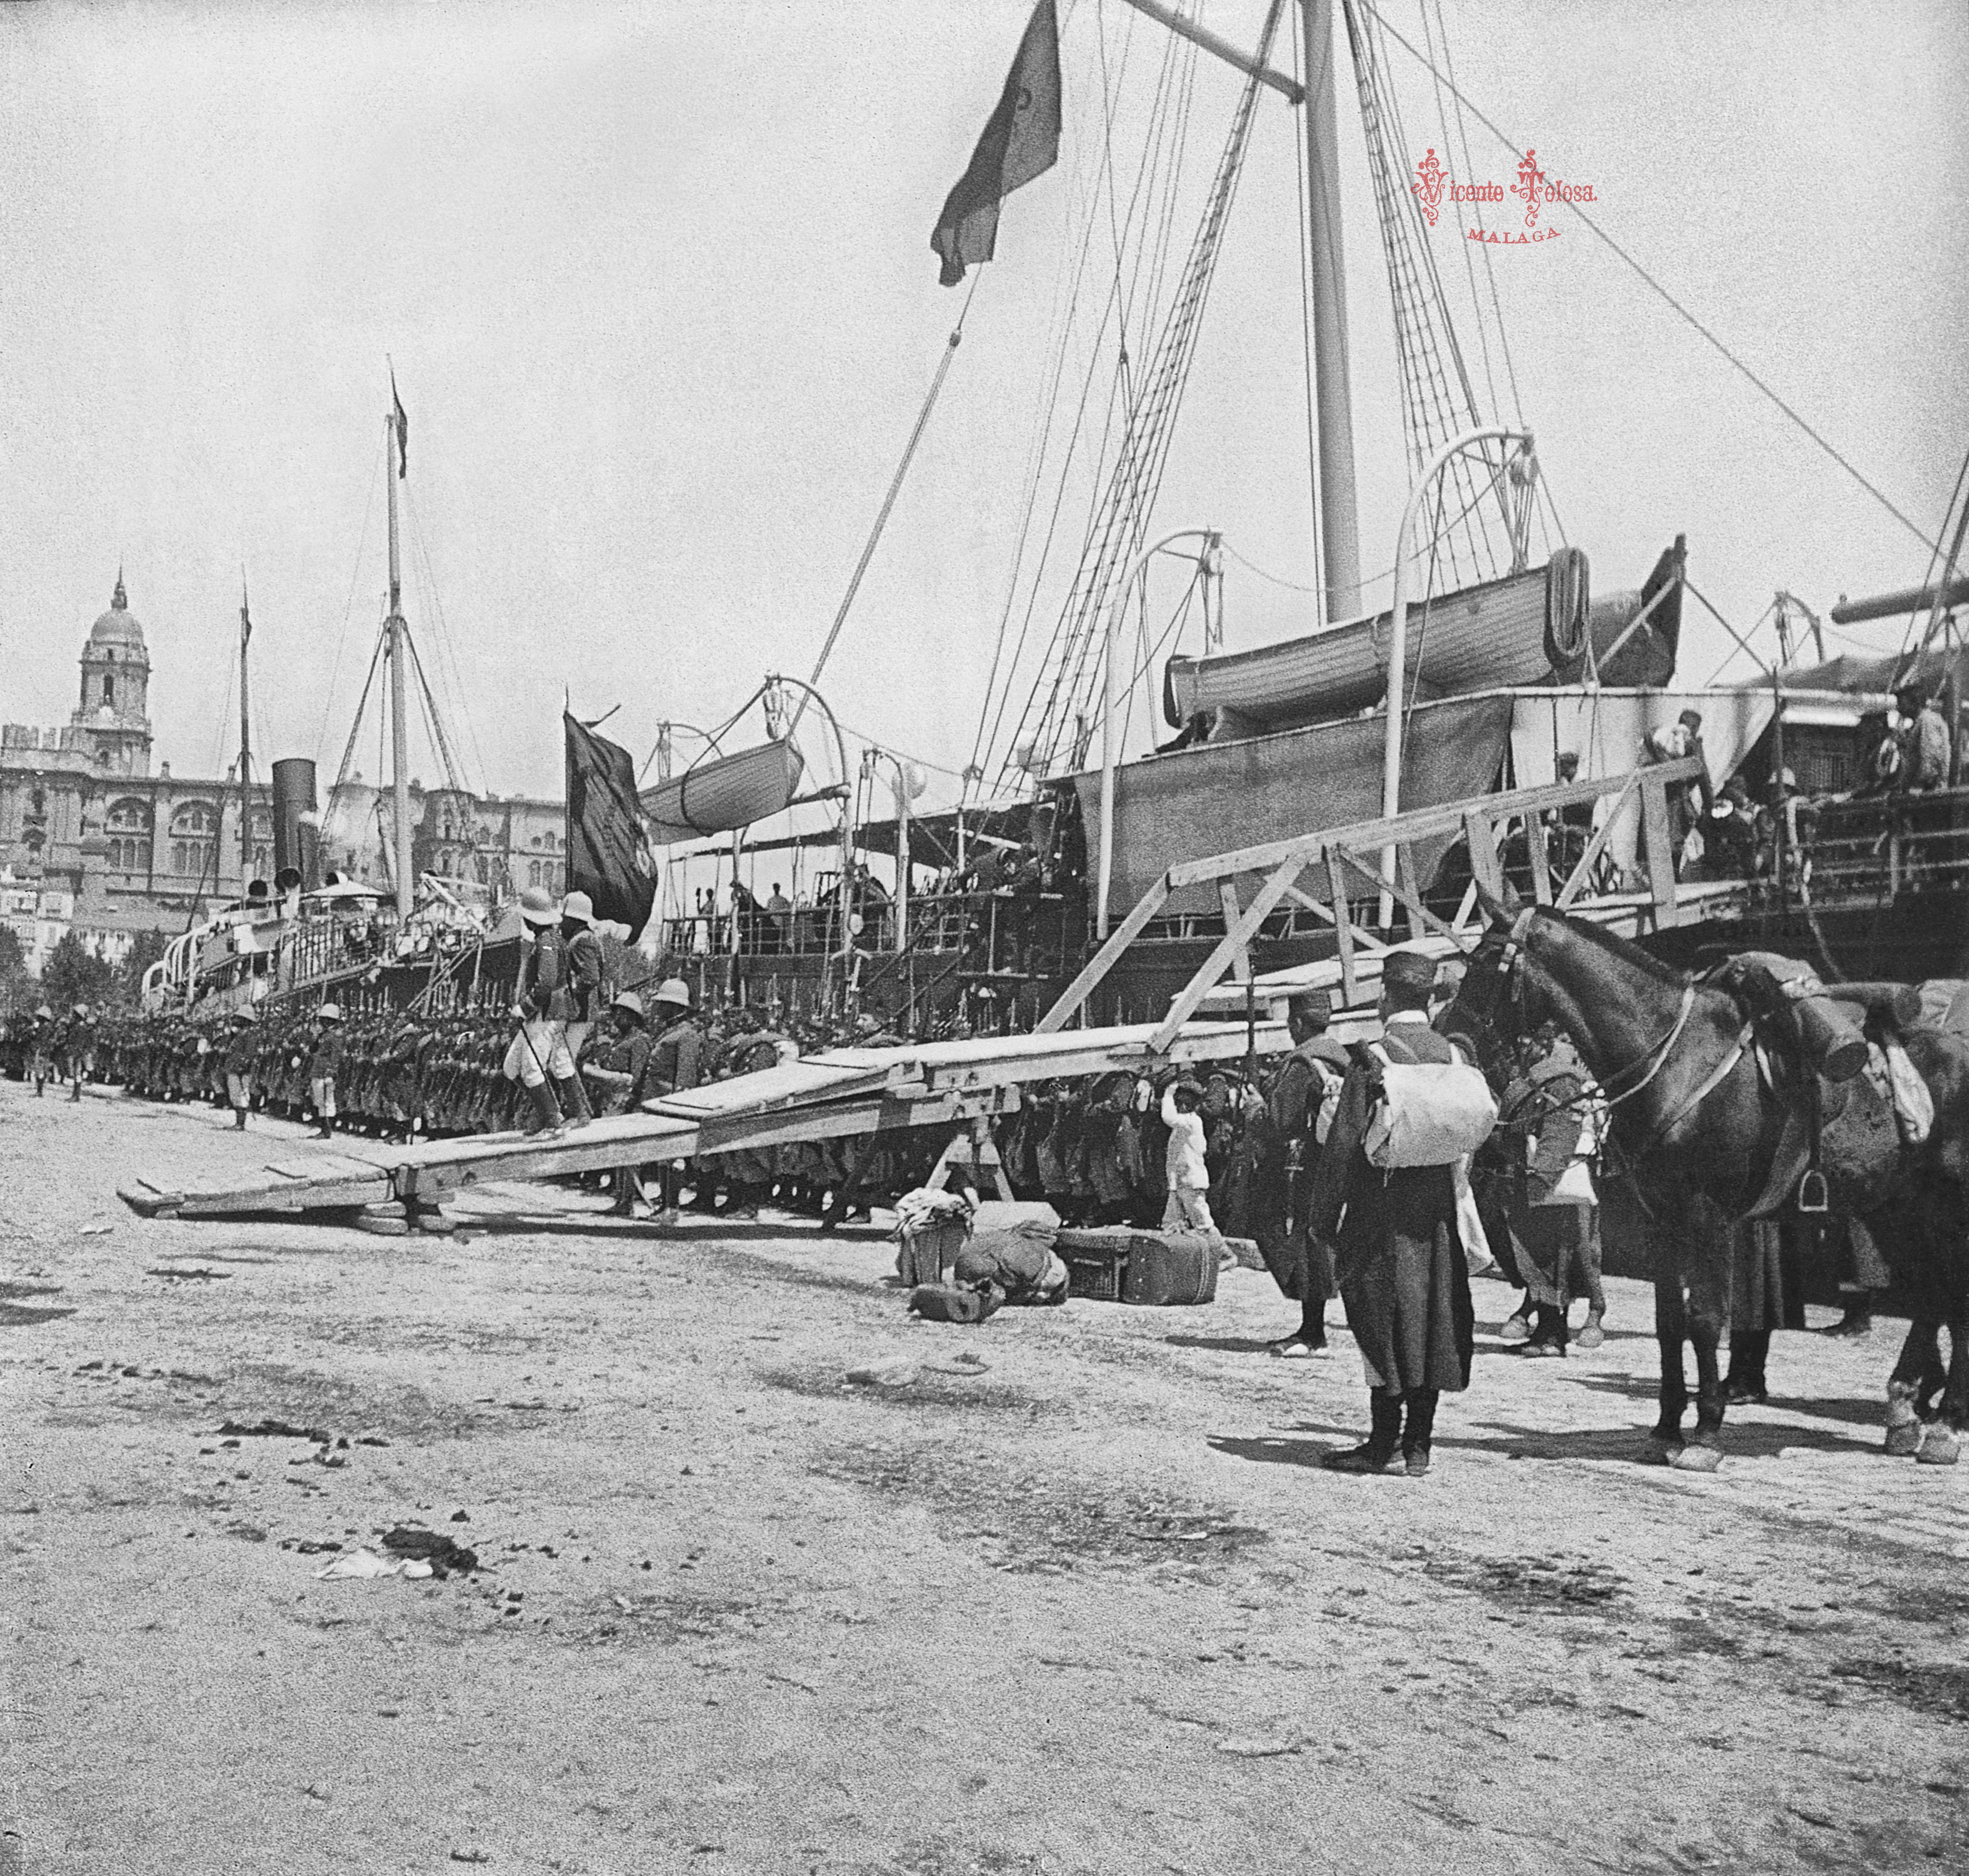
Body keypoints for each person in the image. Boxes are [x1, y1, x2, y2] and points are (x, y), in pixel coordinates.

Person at [1308, 949, 1476, 1477]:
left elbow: (1342, 1148)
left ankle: (1382, 1444)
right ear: (1429, 998)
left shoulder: (1375, 1058)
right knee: (1435, 1319)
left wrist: (1323, 1217)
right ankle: (1420, 1444)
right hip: (1438, 1209)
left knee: (1381, 1317)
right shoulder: (1453, 1055)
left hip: (1381, 1209)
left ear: (1386, 995)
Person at [1493, 1026, 1607, 1356]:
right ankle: (1547, 1332)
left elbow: (1559, 1133)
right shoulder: (1535, 1079)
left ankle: (1553, 1337)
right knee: (1535, 1258)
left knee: (1555, 1258)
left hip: (1548, 1183)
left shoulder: (1559, 1081)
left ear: (1544, 1045)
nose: (1523, 1049)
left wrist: (1540, 1180)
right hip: (1528, 1179)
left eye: (1527, 1042)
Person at [1249, 990, 1351, 1358]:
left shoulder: (1303, 1064)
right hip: (1337, 1163)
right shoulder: (1343, 1058)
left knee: (1296, 1239)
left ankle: (1312, 1334)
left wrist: (1255, 1110)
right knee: (1319, 1239)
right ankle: (1313, 1328)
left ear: (1296, 1023)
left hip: (1302, 1166)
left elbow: (1280, 1122)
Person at [502, 886, 571, 1136]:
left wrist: (523, 1008)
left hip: (548, 1012)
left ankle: (553, 1121)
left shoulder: (547, 943)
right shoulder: (542, 941)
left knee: (532, 1068)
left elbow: (546, 985)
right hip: (540, 1014)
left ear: (531, 918)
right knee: (511, 1068)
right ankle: (546, 1113)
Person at [1159, 1078, 1225, 1255]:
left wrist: (1168, 1094)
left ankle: (1223, 1254)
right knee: (1171, 1222)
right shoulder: (1185, 1125)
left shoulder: (1191, 1122)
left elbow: (1168, 1117)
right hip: (1181, 1182)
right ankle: (1174, 1257)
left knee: (1202, 1222)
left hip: (1191, 1182)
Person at [1896, 685, 1951, 792]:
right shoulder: (1922, 721)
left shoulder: (1927, 721)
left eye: (1902, 704)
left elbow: (1931, 753)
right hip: (1924, 785)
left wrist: (1923, 784)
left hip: (1927, 786)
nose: (1900, 709)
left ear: (1915, 703)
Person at [307, 1003, 346, 1140]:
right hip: (318, 1069)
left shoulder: (337, 1034)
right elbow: (313, 1049)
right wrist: (316, 1036)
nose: (323, 1021)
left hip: (326, 1071)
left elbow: (336, 1055)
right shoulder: (324, 1033)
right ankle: (323, 1128)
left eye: (326, 1019)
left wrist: (332, 1072)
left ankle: (327, 1130)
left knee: (327, 1101)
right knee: (319, 1100)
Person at [221, 1009, 258, 1130]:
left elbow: (250, 1054)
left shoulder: (249, 1036)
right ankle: (239, 1122)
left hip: (242, 1070)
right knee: (235, 1095)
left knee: (241, 1095)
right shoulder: (238, 1035)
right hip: (234, 1068)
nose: (235, 1021)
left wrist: (242, 1067)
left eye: (238, 1019)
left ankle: (241, 1123)